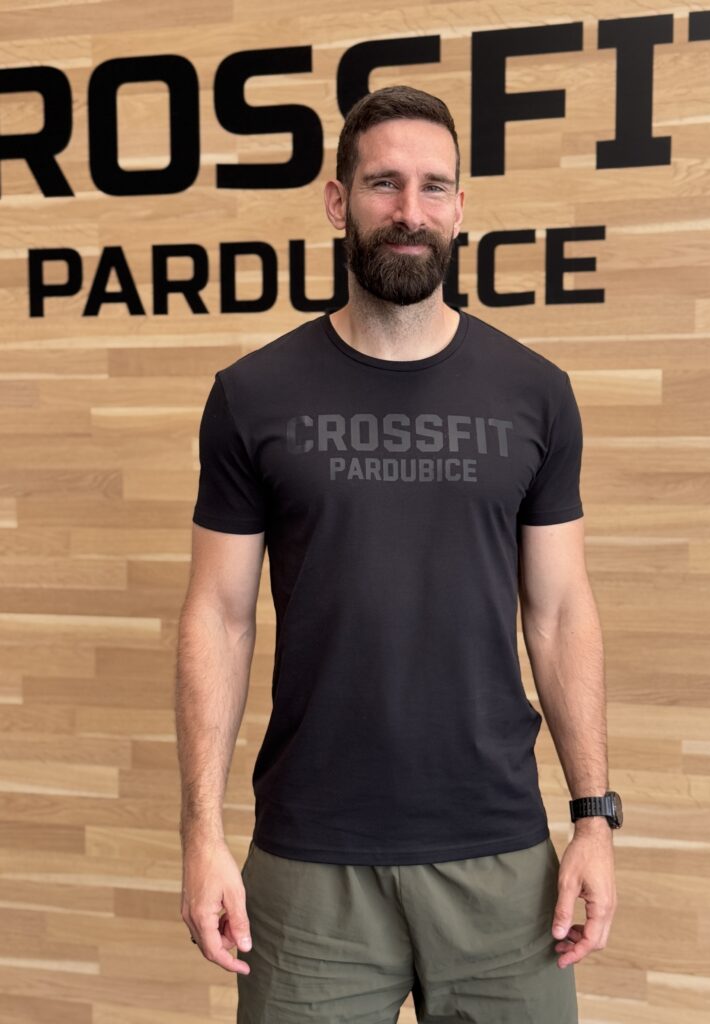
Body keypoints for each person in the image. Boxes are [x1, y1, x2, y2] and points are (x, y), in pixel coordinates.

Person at [175, 84, 619, 1023]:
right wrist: (201, 834)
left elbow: (559, 614)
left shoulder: (536, 394)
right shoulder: (252, 396)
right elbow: (218, 615)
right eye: (384, 184)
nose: (409, 210)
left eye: (433, 186)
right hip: (310, 859)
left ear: (461, 207)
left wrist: (593, 817)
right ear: (338, 202)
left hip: (500, 855)